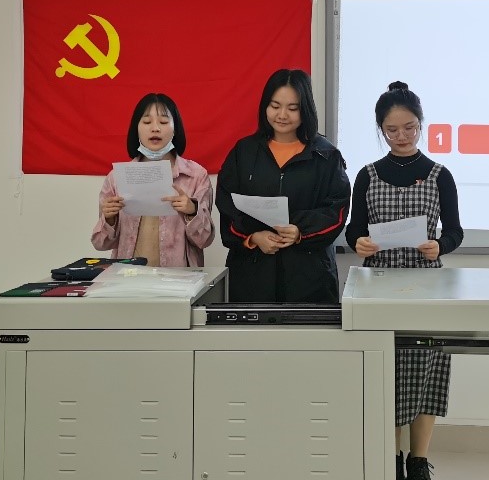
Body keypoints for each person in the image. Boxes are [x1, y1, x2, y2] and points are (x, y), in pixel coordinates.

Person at [345, 81, 463, 480]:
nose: (401, 136)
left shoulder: (439, 174)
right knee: (387, 372)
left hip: (426, 285)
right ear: (381, 129)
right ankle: (390, 461)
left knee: (426, 373)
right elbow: (354, 230)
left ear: (420, 124)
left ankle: (418, 464)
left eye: (409, 127)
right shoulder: (368, 174)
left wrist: (440, 245)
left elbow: (455, 231)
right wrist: (359, 242)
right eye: (392, 130)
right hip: (379, 285)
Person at [215, 69, 350, 304]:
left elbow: (337, 210)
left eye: (293, 108)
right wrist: (253, 237)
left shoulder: (326, 155)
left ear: (305, 109)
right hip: (253, 275)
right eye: (275, 106)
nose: (282, 115)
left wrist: (300, 231)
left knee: (308, 329)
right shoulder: (244, 152)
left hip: (310, 278)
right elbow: (226, 203)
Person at [91, 93, 214, 266]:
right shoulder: (117, 178)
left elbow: (205, 240)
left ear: (175, 128)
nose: (155, 128)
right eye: (147, 122)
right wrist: (109, 219)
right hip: (128, 277)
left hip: (178, 279)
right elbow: (100, 243)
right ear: (136, 129)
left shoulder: (195, 176)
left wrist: (192, 211)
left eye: (163, 122)